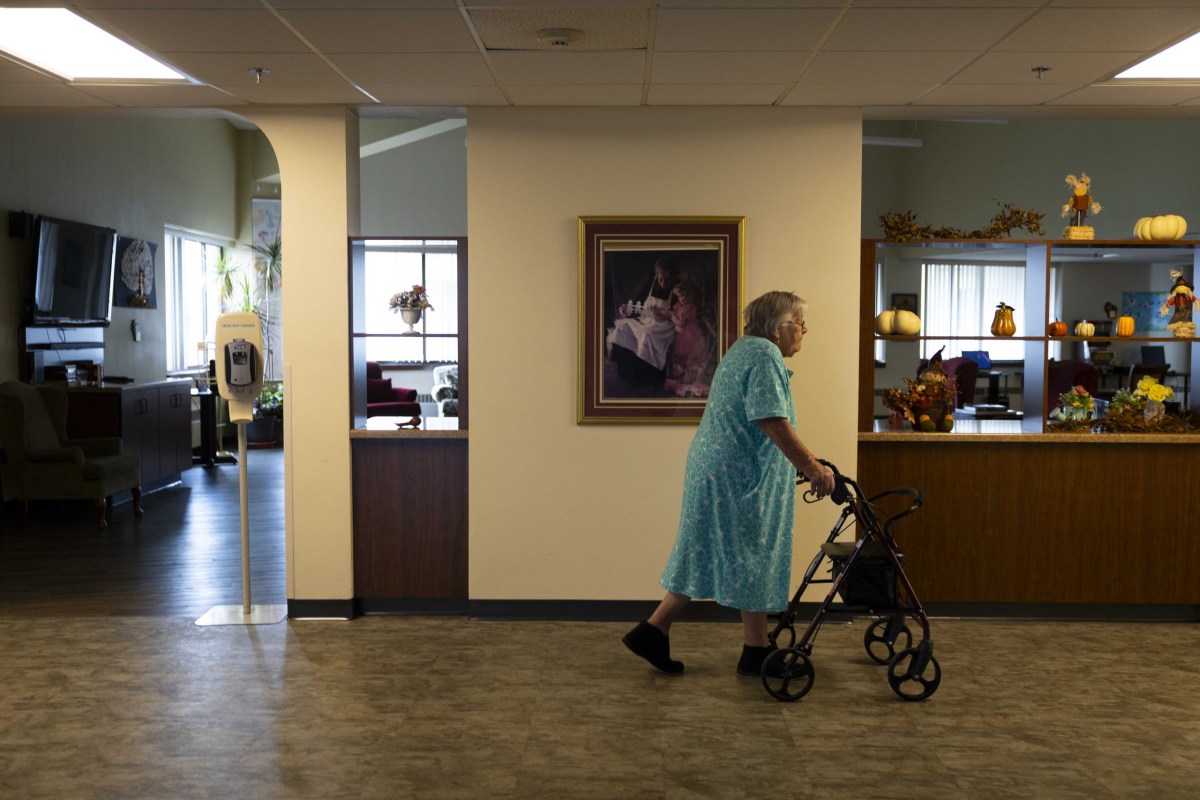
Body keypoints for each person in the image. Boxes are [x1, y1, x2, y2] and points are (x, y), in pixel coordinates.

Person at [622, 291, 836, 677]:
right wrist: (812, 466)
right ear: (776, 329)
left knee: (704, 547)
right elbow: (771, 419)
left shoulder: (743, 349)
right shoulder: (763, 354)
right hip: (740, 474)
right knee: (753, 549)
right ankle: (755, 651)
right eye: (798, 322)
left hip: (716, 467)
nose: (805, 329)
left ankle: (654, 630)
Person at [606, 256, 681, 386]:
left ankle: (647, 379)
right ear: (657, 274)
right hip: (647, 319)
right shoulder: (652, 282)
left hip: (665, 326)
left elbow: (678, 315)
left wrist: (665, 314)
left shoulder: (677, 289)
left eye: (667, 279)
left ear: (674, 277)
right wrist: (628, 308)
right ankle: (627, 374)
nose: (663, 283)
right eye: (660, 278)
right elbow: (639, 301)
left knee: (646, 335)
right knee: (623, 327)